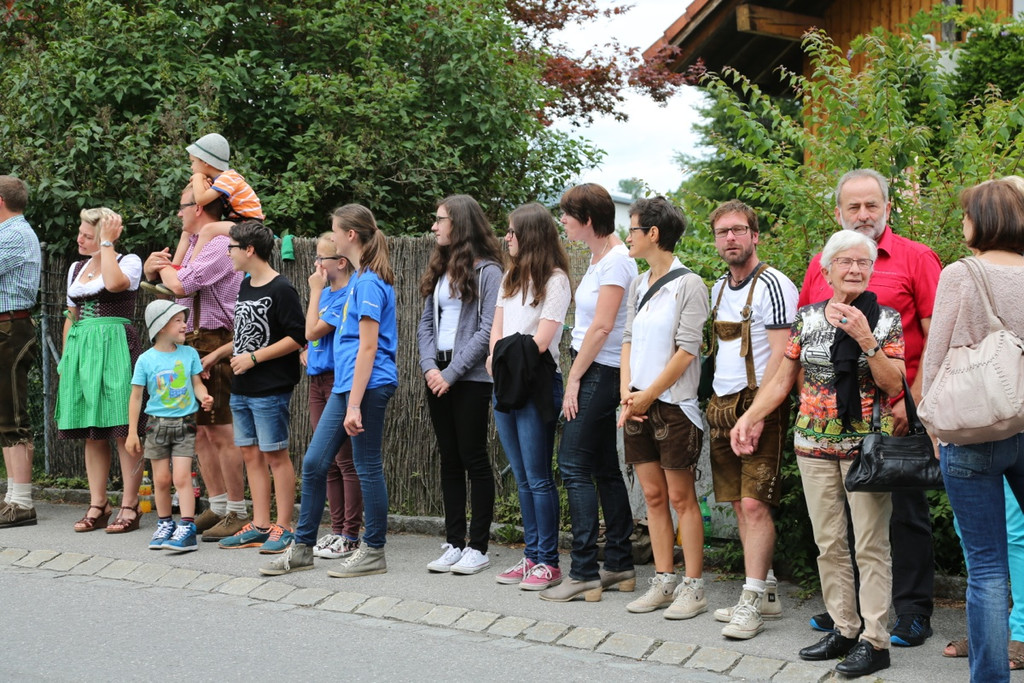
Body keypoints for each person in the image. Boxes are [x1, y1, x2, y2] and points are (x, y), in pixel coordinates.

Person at [733, 229, 905, 678]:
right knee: (829, 543)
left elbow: (894, 384)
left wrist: (867, 340)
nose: (855, 269)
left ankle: (876, 641)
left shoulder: (886, 320)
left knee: (870, 545)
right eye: (845, 261)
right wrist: (750, 417)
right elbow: (781, 379)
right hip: (812, 446)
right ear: (827, 271)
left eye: (863, 262)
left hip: (867, 451)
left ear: (872, 270)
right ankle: (845, 628)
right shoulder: (807, 318)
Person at [797, 168, 941, 647]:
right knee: (845, 523)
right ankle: (850, 615)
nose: (863, 214)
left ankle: (913, 610)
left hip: (901, 406)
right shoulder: (822, 263)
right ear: (839, 211)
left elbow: (936, 338)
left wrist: (912, 403)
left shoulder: (917, 258)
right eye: (853, 206)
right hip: (832, 423)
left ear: (887, 208)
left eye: (871, 205)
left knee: (904, 513)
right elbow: (807, 340)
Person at [260, 204, 398, 578]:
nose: (332, 237)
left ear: (350, 235)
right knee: (315, 463)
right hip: (347, 384)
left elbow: (368, 347)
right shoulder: (360, 279)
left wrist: (354, 404)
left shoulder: (369, 283)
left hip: (367, 386)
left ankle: (373, 551)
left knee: (366, 466)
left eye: (335, 231)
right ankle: (303, 549)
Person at [923, 178, 1024, 683]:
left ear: (982, 220)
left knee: (986, 569)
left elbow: (936, 355)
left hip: (970, 430)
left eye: (966, 215)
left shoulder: (961, 274)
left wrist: (932, 426)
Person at [539, 183, 637, 602]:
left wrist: (575, 379)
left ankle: (583, 572)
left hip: (599, 369)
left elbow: (602, 327)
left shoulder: (617, 262)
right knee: (603, 468)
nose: (562, 220)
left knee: (573, 465)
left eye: (568, 214)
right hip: (592, 365)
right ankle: (619, 565)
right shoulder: (601, 258)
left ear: (589, 220)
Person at [706, 200, 798, 638]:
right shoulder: (717, 290)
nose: (731, 238)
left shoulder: (774, 285)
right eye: (723, 232)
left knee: (755, 504)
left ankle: (751, 602)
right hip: (722, 405)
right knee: (738, 504)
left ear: (755, 236)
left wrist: (759, 413)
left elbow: (783, 359)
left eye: (738, 230)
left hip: (760, 405)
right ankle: (766, 592)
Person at [617, 197, 709, 619]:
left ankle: (693, 587)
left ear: (653, 233)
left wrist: (649, 394)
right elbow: (627, 340)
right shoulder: (639, 283)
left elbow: (687, 350)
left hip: (673, 406)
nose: (627, 237)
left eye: (632, 229)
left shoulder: (689, 284)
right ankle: (663, 580)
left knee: (680, 497)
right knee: (652, 496)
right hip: (637, 403)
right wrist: (627, 392)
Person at [143, 186, 247, 543]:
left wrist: (164, 270)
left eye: (182, 206)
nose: (178, 213)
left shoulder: (219, 244)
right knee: (201, 431)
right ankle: (217, 505)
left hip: (216, 339)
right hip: (194, 339)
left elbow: (181, 284)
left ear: (200, 208)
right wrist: (156, 270)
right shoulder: (196, 242)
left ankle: (238, 510)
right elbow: (171, 285)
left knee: (221, 430)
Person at [205, 220, 305, 555]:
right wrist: (217, 355)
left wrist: (254, 359)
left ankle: (284, 526)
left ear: (249, 250)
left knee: (275, 455)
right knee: (250, 453)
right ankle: (260, 525)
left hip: (270, 388)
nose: (228, 253)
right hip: (242, 387)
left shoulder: (282, 289)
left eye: (231, 248)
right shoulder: (246, 285)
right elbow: (245, 334)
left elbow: (297, 337)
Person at [418, 195, 503, 575]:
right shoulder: (440, 267)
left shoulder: (489, 272)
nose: (434, 226)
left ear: (460, 223)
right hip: (436, 373)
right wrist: (429, 367)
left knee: (473, 457)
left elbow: (487, 331)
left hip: (469, 377)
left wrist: (450, 373)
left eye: (440, 220)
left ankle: (478, 547)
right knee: (449, 459)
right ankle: (454, 542)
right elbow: (425, 323)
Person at [488, 202, 571, 591]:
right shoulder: (510, 277)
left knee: (538, 477)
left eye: (512, 231)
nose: (507, 237)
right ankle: (532, 555)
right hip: (506, 379)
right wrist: (495, 357)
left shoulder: (556, 281)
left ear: (530, 235)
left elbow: (541, 341)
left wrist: (500, 354)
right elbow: (497, 329)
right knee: (521, 476)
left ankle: (549, 562)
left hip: (537, 382)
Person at [56, 208, 145, 534]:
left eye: (88, 235)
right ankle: (99, 503)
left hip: (116, 347)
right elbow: (72, 316)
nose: (79, 239)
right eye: (80, 232)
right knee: (91, 431)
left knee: (123, 429)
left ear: (106, 236)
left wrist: (107, 244)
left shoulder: (128, 262)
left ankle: (130, 504)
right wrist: (66, 360)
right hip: (82, 352)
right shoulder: (76, 269)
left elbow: (115, 284)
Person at [127, 300, 213, 552]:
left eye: (183, 320)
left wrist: (203, 396)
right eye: (178, 321)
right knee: (162, 479)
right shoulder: (145, 360)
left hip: (185, 425)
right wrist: (132, 432)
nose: (185, 325)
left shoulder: (189, 354)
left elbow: (197, 383)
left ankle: (187, 528)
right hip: (155, 427)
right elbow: (136, 397)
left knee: (182, 477)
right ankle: (165, 524)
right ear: (161, 326)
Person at [303, 233, 362, 561]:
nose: (316, 264)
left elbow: (313, 329)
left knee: (345, 460)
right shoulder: (325, 294)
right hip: (317, 381)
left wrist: (314, 291)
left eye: (320, 258)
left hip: (339, 382)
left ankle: (351, 533)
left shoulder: (345, 295)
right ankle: (337, 529)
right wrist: (306, 350)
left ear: (340, 262)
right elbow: (309, 336)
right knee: (326, 462)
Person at [0, 175, 41, 528]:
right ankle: (13, 497)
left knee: (12, 415)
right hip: (7, 326)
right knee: (4, 414)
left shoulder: (13, 234)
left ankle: (23, 501)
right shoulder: (10, 232)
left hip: (10, 328)